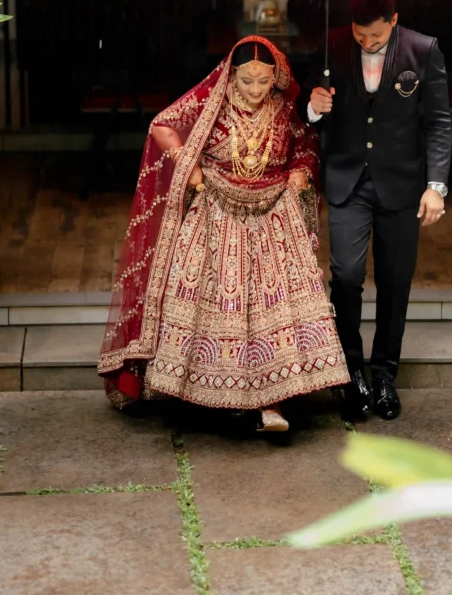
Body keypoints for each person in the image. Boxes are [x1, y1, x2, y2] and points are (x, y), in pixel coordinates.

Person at [99, 36, 349, 433]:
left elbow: (305, 145)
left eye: (263, 83)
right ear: (232, 76)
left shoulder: (284, 108)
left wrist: (300, 171)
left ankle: (273, 404)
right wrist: (190, 168)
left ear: (275, 77)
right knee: (217, 308)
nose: (254, 91)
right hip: (216, 215)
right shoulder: (212, 102)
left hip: (273, 218)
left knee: (274, 313)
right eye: (247, 82)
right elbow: (161, 125)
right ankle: (210, 395)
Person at [306, 0, 452, 422]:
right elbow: (300, 109)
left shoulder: (423, 51)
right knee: (346, 276)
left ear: (394, 21)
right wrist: (313, 108)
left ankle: (385, 375)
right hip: (348, 180)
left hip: (403, 184)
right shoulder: (331, 46)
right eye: (359, 34)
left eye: (376, 36)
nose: (366, 43)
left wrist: (436, 186)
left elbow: (439, 123)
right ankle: (351, 373)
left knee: (394, 280)